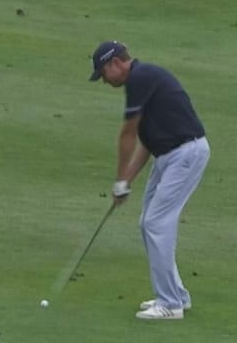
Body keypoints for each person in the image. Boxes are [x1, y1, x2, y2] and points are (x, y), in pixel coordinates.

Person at [88, 40, 210, 320]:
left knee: (156, 222)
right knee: (148, 222)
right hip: (170, 155)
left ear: (114, 64)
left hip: (186, 154)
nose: (105, 82)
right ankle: (176, 295)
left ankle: (169, 304)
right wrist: (125, 182)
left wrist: (119, 178)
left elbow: (128, 134)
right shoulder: (143, 80)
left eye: (103, 74)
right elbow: (147, 143)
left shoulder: (140, 78)